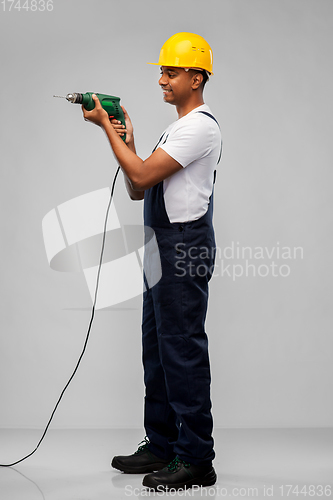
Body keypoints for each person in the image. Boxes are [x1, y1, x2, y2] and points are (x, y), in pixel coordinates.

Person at [82, 32, 222, 491]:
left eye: (171, 71)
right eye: (161, 71)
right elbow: (139, 188)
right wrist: (129, 140)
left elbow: (140, 173)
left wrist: (107, 127)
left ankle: (196, 458)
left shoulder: (200, 126)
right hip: (163, 244)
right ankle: (162, 445)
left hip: (183, 246)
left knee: (181, 350)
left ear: (197, 77)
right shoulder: (176, 129)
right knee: (157, 350)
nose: (162, 79)